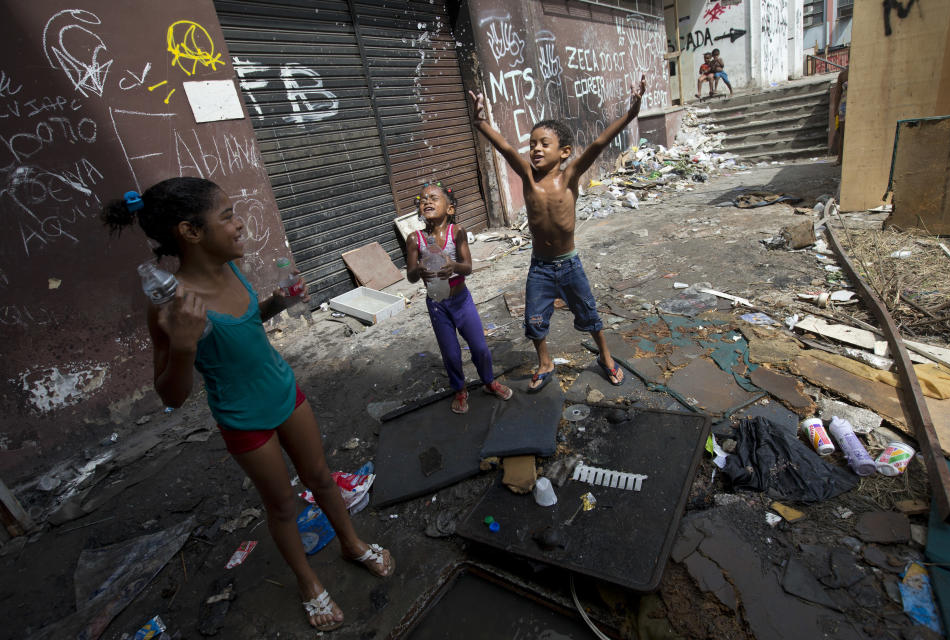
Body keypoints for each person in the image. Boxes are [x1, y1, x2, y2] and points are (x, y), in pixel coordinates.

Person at [101, 177, 394, 632]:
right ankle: (308, 582)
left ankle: (352, 544)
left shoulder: (232, 268)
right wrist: (181, 346)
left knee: (321, 476)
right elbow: (171, 396)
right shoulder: (171, 304)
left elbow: (243, 324)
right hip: (242, 418)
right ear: (191, 232)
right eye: (227, 217)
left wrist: (277, 302)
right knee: (281, 507)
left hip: (283, 390)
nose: (239, 225)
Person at [468, 78, 646, 392]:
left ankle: (605, 357)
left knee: (590, 314)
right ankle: (545, 363)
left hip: (569, 264)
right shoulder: (527, 177)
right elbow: (505, 148)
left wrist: (630, 114)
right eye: (532, 143)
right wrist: (481, 121)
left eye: (543, 144)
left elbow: (599, 143)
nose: (535, 149)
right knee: (534, 322)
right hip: (540, 267)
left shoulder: (570, 177)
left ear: (564, 152)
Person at [405, 182, 514, 413]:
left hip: (461, 300)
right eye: (423, 199)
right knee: (451, 353)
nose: (427, 202)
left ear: (450, 209)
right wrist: (420, 270)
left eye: (434, 198)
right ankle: (460, 389)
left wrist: (453, 265)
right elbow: (411, 277)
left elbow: (468, 268)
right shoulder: (415, 239)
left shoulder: (458, 232)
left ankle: (488, 382)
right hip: (437, 304)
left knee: (480, 348)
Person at [832, 67, 848, 165]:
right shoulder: (843, 75)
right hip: (844, 107)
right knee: (842, 133)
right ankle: (840, 159)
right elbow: (838, 93)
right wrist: (835, 110)